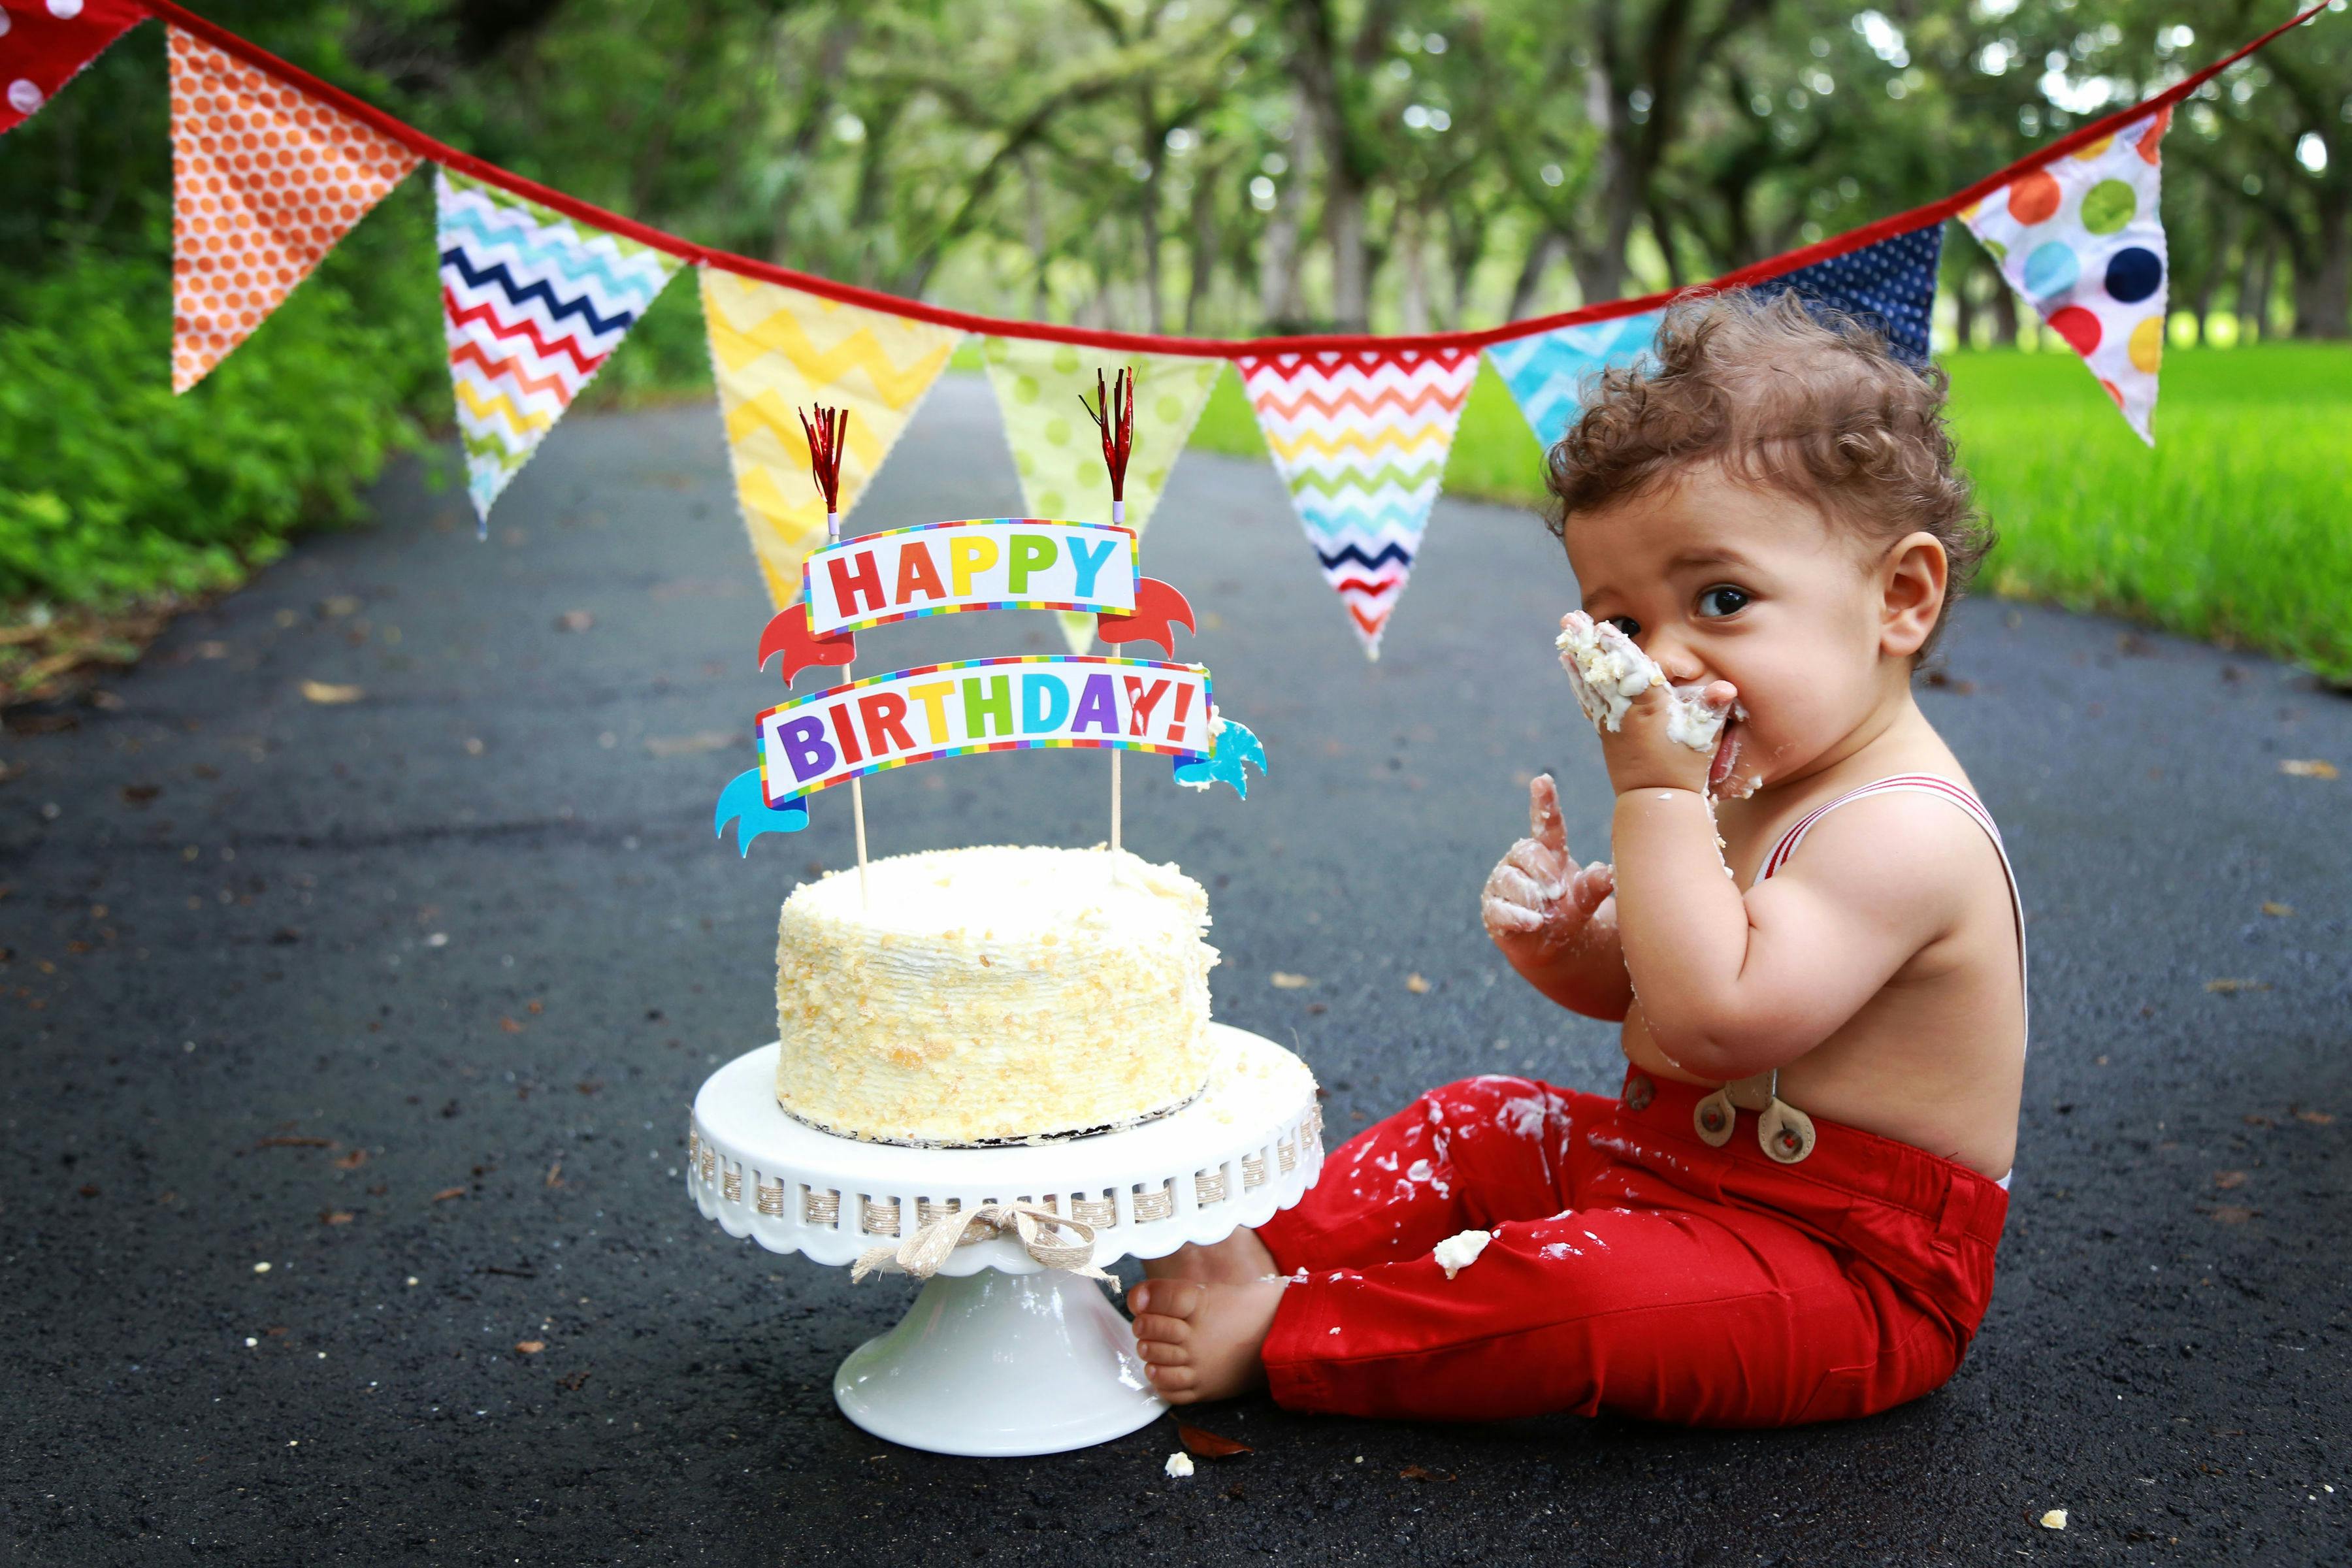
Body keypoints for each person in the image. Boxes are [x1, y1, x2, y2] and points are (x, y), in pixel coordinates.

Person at [1128, 289, 2027, 1426]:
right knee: (1479, 1116)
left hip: (1840, 1266)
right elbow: (1646, 993)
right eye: (1627, 625)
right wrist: (1571, 944)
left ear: (1899, 596)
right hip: (1673, 1169)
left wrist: (1653, 794)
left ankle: (1298, 1331)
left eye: (1723, 599)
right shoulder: (1760, 767)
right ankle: (1254, 1251)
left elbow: (1714, 1023)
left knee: (1591, 1292)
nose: (1666, 663)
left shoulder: (1907, 830)